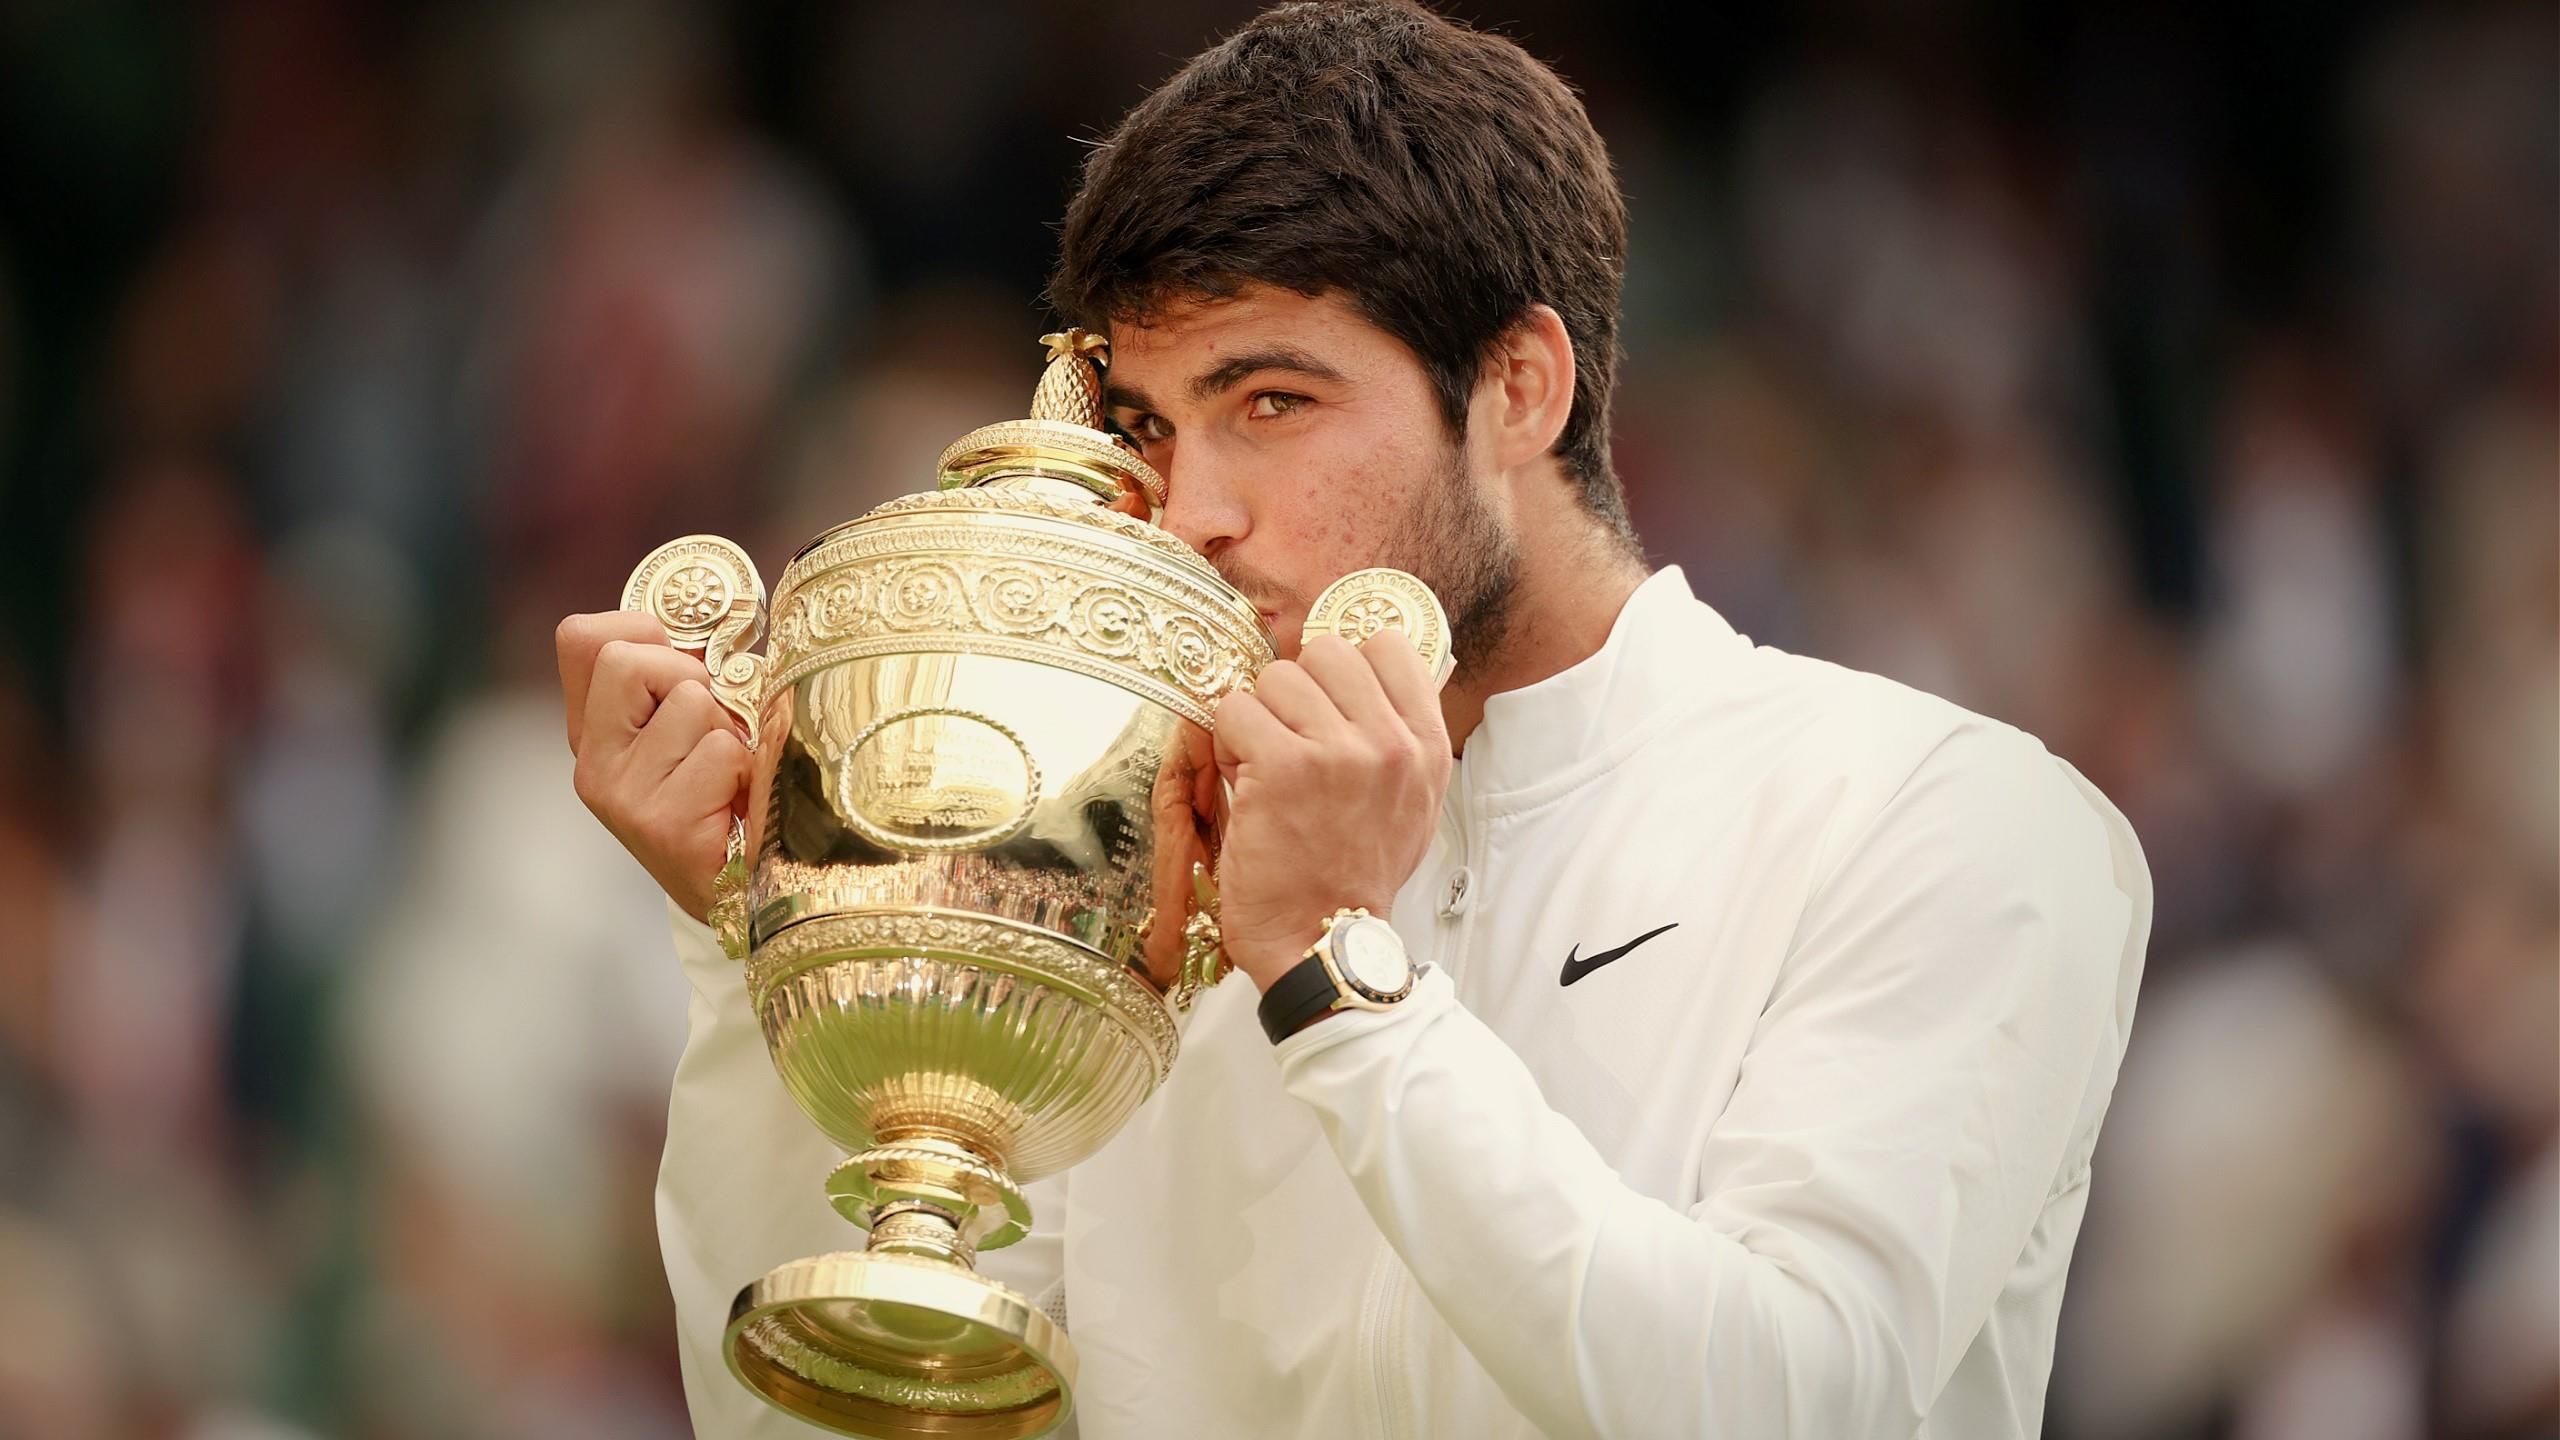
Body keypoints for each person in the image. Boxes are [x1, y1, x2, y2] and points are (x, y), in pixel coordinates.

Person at [554, 3, 2152, 1436]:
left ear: (1520, 390)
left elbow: (1796, 1400)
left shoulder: (1948, 817)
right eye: (1146, 426)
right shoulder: (1127, 858)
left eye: (1273, 403)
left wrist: (1336, 980)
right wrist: (764, 939)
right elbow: (853, 1423)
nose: (1193, 514)